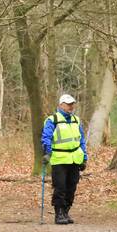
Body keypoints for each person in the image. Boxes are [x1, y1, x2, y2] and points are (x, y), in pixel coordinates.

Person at [41, 94, 88, 225]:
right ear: (61, 105)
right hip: (59, 159)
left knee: (71, 187)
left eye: (72, 104)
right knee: (60, 187)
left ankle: (66, 211)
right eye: (68, 104)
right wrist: (46, 153)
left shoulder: (76, 120)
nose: (71, 106)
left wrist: (84, 157)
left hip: (75, 159)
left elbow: (81, 140)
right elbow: (46, 137)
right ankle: (59, 213)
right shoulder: (52, 120)